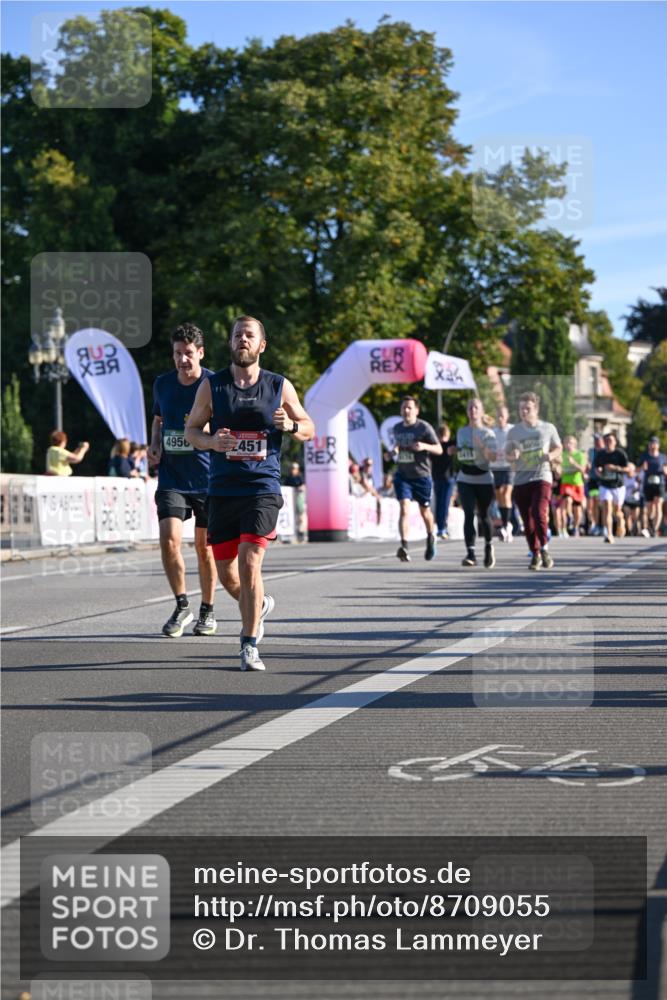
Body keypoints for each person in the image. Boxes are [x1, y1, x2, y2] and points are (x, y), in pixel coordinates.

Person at [185, 314, 315, 672]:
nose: (243, 339)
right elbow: (192, 431)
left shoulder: (278, 385)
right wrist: (212, 441)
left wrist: (289, 425)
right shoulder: (213, 386)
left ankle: (248, 643)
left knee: (250, 561)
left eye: (250, 335)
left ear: (261, 345)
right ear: (230, 343)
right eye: (237, 334)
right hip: (223, 489)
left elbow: (309, 427)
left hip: (262, 487)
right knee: (228, 574)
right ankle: (257, 606)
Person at [148, 323, 218, 638]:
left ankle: (207, 609)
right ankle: (181, 605)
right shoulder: (162, 384)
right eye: (177, 354)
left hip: (207, 478)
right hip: (172, 477)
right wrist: (154, 444)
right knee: (170, 540)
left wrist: (209, 437)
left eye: (188, 353)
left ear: (200, 353)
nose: (183, 360)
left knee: (204, 548)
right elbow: (159, 418)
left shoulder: (215, 383)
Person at [506, 392, 562, 570]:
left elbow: (558, 447)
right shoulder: (514, 431)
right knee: (526, 521)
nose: (524, 411)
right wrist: (512, 456)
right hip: (522, 480)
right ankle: (535, 553)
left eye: (527, 408)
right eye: (521, 408)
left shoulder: (547, 428)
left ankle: (544, 549)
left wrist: (550, 456)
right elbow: (508, 455)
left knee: (539, 513)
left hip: (542, 477)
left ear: (536, 409)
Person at [391, 396, 442, 563]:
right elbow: (398, 445)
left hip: (422, 476)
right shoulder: (397, 428)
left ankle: (430, 537)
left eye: (409, 408)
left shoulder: (424, 428)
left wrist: (424, 446)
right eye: (404, 407)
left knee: (424, 511)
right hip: (403, 475)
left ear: (416, 410)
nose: (406, 411)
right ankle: (404, 547)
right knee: (404, 508)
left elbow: (439, 449)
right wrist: (394, 451)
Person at [448, 398, 497, 568]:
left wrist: (482, 446)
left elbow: (493, 457)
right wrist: (453, 451)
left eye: (476, 407)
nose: (473, 410)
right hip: (465, 479)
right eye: (470, 407)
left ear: (481, 411)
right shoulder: (461, 432)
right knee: (468, 514)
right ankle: (470, 554)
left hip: (484, 479)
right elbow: (462, 454)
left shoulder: (488, 434)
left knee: (484, 515)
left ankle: (489, 547)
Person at [595, 430, 629, 544]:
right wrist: (599, 472)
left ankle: (621, 522)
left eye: (610, 440)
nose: (608, 442)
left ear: (615, 442)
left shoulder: (620, 454)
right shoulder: (600, 454)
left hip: (618, 486)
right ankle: (609, 534)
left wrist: (615, 468)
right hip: (605, 485)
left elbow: (627, 469)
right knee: (607, 509)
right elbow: (596, 468)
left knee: (617, 512)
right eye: (606, 440)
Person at [490, 405, 514, 543]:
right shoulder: (492, 431)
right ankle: (506, 523)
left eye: (502, 416)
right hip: (496, 467)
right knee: (499, 496)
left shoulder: (512, 430)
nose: (500, 418)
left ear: (507, 416)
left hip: (509, 466)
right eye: (498, 416)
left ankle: (506, 524)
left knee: (506, 494)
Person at [558, 435, 587, 537]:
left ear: (575, 444)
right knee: (567, 500)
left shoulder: (580, 455)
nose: (569, 445)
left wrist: (573, 463)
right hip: (566, 483)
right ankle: (569, 517)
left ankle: (576, 527)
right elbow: (559, 472)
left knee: (578, 510)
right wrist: (558, 470)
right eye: (567, 443)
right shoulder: (562, 455)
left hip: (578, 484)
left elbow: (583, 470)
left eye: (571, 443)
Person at [638, 436, 667, 537]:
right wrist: (642, 467)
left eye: (655, 443)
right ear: (649, 445)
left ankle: (655, 529)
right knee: (650, 507)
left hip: (660, 484)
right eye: (651, 443)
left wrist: (665, 471)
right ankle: (651, 523)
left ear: (658, 445)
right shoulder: (644, 457)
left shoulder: (663, 457)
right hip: (648, 484)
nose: (653, 445)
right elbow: (637, 470)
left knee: (658, 504)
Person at [431, 423, 456, 539]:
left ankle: (441, 527)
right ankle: (441, 527)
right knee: (442, 503)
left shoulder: (439, 446)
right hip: (442, 478)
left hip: (445, 478)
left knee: (442, 503)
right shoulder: (439, 446)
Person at [283, 461, 307, 542]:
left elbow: (303, 486)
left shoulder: (300, 477)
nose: (292, 470)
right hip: (290, 501)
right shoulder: (288, 478)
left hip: (299, 498)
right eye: (291, 468)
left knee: (300, 516)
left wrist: (299, 488)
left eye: (294, 468)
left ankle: (301, 534)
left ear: (297, 469)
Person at [585, 432, 603, 535]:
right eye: (595, 440)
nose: (596, 442)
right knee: (593, 502)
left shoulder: (605, 451)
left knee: (602, 503)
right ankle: (595, 524)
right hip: (593, 480)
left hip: (603, 480)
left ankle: (603, 525)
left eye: (598, 440)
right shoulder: (591, 451)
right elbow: (587, 463)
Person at [622, 463, 643, 537]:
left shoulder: (637, 477)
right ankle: (630, 531)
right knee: (627, 515)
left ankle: (638, 530)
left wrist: (636, 489)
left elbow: (641, 485)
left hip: (635, 500)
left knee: (636, 517)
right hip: (626, 500)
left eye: (630, 468)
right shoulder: (623, 477)